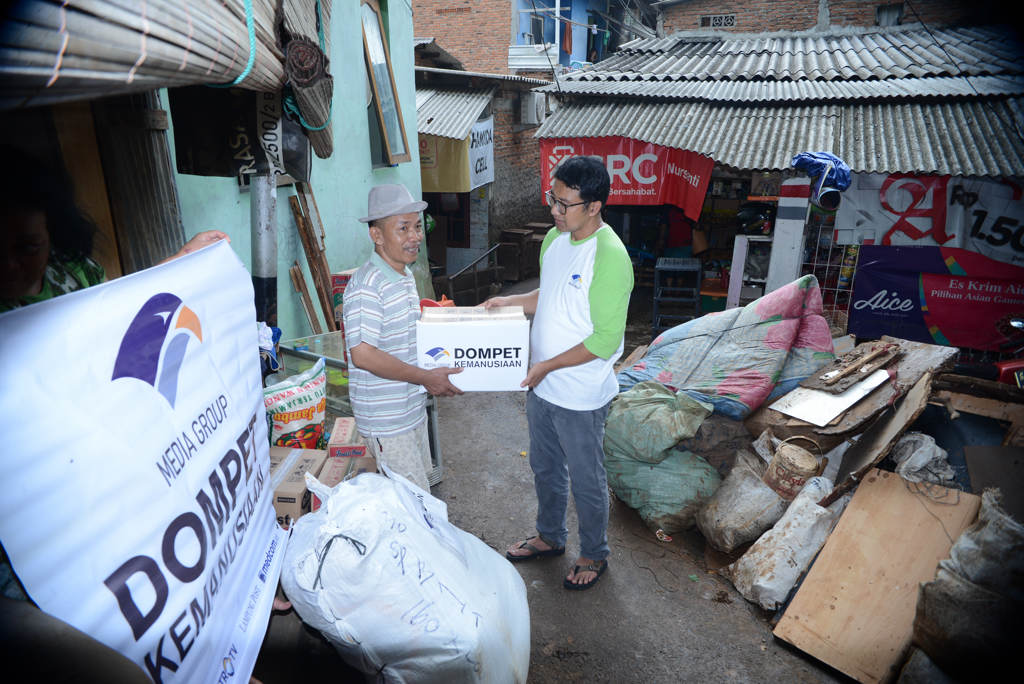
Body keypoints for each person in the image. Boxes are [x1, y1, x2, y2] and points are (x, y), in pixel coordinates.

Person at [486, 156, 633, 590]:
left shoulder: (610, 257)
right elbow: (546, 296)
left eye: (564, 203)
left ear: (594, 206)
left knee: (587, 480)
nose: (554, 209)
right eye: (553, 198)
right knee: (546, 469)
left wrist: (546, 365)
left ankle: (594, 553)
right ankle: (550, 536)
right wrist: (505, 303)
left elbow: (605, 340)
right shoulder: (554, 239)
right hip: (542, 389)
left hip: (581, 396)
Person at [0, 146, 228, 313]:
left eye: (28, 248)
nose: (8, 264)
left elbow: (124, 301)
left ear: (52, 233)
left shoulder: (76, 271)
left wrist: (185, 256)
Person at [343, 183, 463, 491]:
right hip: (387, 423)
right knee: (415, 509)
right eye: (403, 228)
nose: (414, 237)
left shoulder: (403, 274)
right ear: (377, 235)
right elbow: (363, 354)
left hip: (409, 412)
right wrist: (425, 377)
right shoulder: (368, 285)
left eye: (417, 227)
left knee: (421, 499)